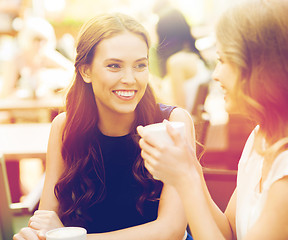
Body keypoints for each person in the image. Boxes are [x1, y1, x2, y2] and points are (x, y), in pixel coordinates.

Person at [137, 0, 288, 239]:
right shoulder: (262, 137)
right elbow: (229, 231)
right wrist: (190, 165)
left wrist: (185, 180)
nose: (216, 75)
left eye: (224, 61)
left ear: (263, 71)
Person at [13, 12, 195, 240]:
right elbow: (46, 220)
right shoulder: (64, 127)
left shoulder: (173, 124)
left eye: (140, 65)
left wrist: (70, 237)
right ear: (85, 71)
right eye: (114, 66)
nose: (130, 79)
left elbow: (170, 230)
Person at [151, 2, 211, 114]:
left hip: (180, 125)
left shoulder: (175, 62)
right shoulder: (192, 56)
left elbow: (180, 108)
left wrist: (155, 91)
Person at [0, 16, 74, 99]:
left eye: (44, 40)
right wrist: (23, 93)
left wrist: (51, 81)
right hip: (19, 108)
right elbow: (5, 95)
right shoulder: (15, 60)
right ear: (26, 39)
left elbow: (73, 73)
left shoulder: (48, 56)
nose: (41, 44)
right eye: (37, 39)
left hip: (46, 108)